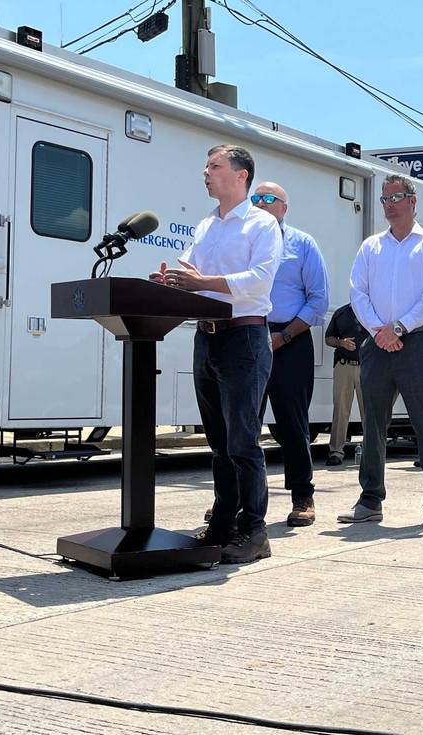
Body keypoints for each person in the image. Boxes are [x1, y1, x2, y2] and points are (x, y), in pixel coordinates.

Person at [150, 144, 281, 564]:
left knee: (243, 441)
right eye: (206, 166)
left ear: (241, 175)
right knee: (219, 443)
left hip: (244, 339)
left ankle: (255, 531)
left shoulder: (261, 224)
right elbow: (190, 274)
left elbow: (259, 281)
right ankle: (223, 523)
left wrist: (202, 281)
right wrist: (170, 281)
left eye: (215, 166)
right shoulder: (206, 224)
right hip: (206, 338)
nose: (206, 173)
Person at [338, 174, 423, 528]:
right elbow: (358, 293)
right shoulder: (371, 247)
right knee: (373, 423)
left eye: (396, 197)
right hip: (376, 343)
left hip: (416, 341)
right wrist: (379, 330)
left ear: (412, 201)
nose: (389, 205)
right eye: (385, 199)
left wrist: (399, 327)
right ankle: (370, 499)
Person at [251, 181, 329, 528]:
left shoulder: (302, 244)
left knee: (292, 424)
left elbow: (318, 299)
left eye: (269, 198)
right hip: (248, 336)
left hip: (290, 339)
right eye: (256, 198)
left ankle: (302, 497)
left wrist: (283, 336)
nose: (261, 203)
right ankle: (234, 498)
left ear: (284, 207)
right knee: (241, 423)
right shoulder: (243, 242)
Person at [324, 302, 369, 466]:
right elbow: (328, 339)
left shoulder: (372, 309)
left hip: (367, 367)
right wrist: (341, 343)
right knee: (340, 410)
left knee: (369, 412)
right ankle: (336, 451)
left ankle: (372, 452)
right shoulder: (341, 313)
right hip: (344, 365)